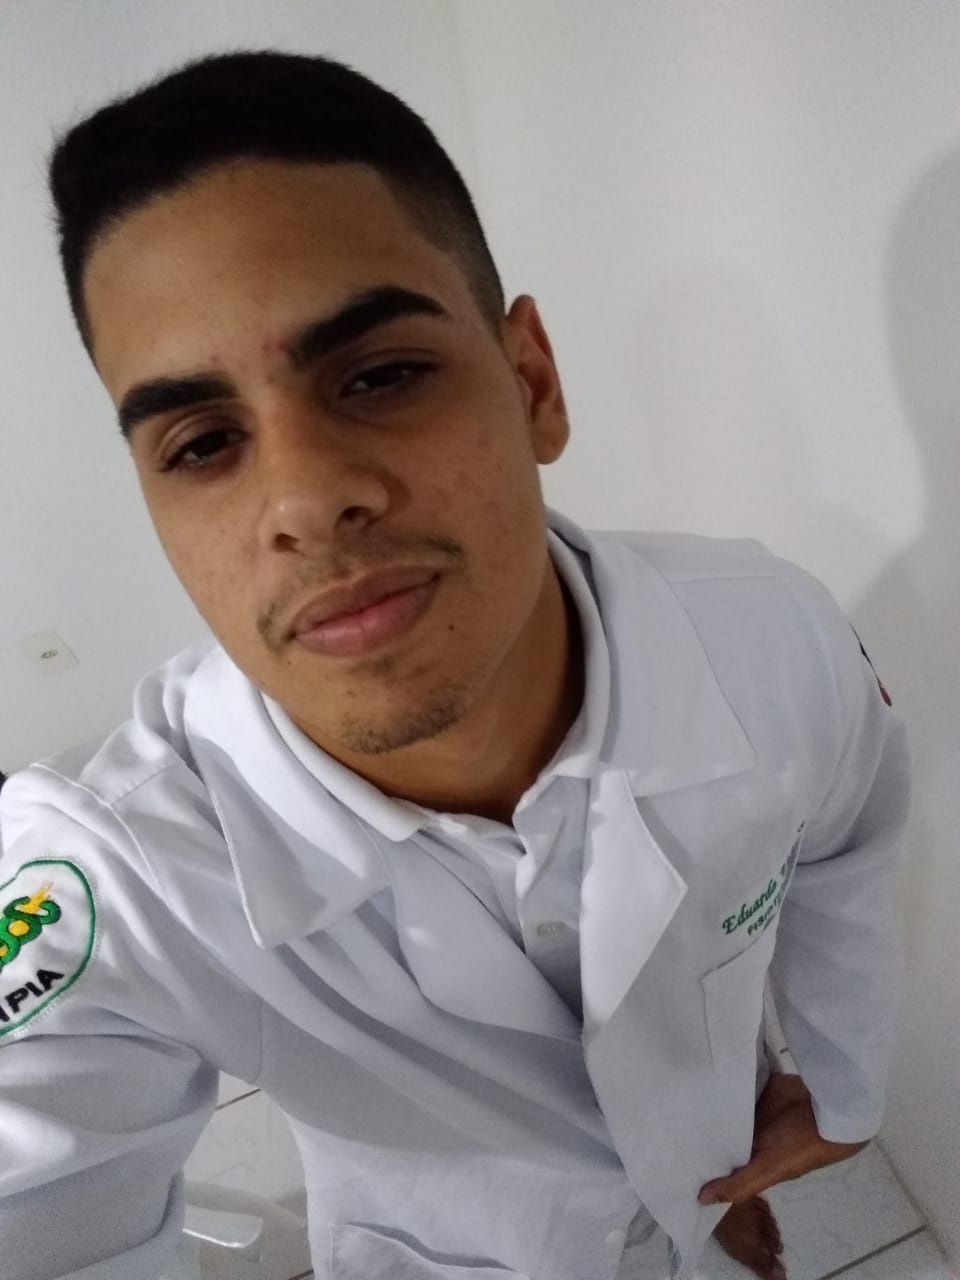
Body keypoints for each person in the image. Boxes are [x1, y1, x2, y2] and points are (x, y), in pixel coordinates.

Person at [0, 50, 909, 1280]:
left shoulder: (769, 636)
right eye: (203, 442)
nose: (306, 500)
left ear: (532, 381)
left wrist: (843, 1086)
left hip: (715, 1200)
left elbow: (852, 838)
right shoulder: (118, 869)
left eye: (380, 375)